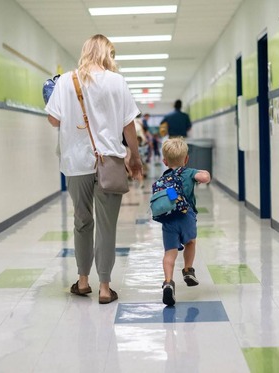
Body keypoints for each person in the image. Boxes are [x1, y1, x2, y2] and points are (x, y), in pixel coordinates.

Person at [45, 34, 142, 304]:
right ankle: (105, 288)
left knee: (82, 221)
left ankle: (83, 281)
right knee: (107, 226)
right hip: (110, 162)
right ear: (107, 54)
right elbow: (128, 125)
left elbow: (54, 120)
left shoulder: (66, 81)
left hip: (76, 164)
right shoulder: (117, 82)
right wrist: (134, 156)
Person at [156, 137, 211, 306]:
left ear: (165, 161)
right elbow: (204, 178)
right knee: (190, 243)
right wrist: (204, 173)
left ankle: (168, 282)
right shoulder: (189, 172)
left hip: (169, 219)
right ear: (186, 159)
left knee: (169, 253)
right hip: (186, 217)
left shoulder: (164, 178)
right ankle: (188, 270)